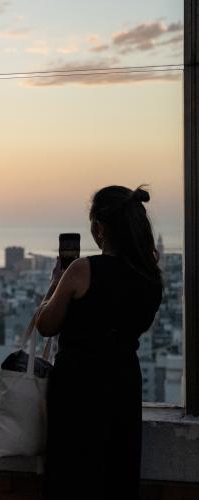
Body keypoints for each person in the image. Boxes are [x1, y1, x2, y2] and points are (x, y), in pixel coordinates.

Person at [35, 185, 163, 500]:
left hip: (78, 385)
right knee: (117, 471)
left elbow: (46, 325)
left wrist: (55, 285)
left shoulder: (82, 269)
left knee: (73, 474)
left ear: (101, 228)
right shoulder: (150, 276)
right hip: (124, 382)